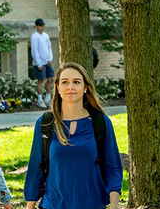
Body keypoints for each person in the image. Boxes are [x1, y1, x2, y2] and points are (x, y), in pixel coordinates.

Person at [24, 63, 123, 209]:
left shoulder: (100, 122)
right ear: (57, 88)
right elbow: (35, 168)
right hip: (53, 205)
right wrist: (30, 206)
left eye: (76, 82)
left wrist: (114, 205)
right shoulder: (45, 124)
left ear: (85, 88)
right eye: (65, 82)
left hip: (92, 204)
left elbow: (112, 166)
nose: (70, 86)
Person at [30, 18, 54, 108]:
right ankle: (40, 100)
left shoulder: (46, 36)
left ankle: (48, 98)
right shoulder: (34, 36)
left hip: (47, 61)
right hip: (39, 63)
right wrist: (38, 63)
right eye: (39, 26)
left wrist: (50, 58)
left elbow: (49, 48)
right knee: (41, 80)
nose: (41, 28)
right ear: (36, 26)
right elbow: (34, 50)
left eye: (42, 26)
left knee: (50, 79)